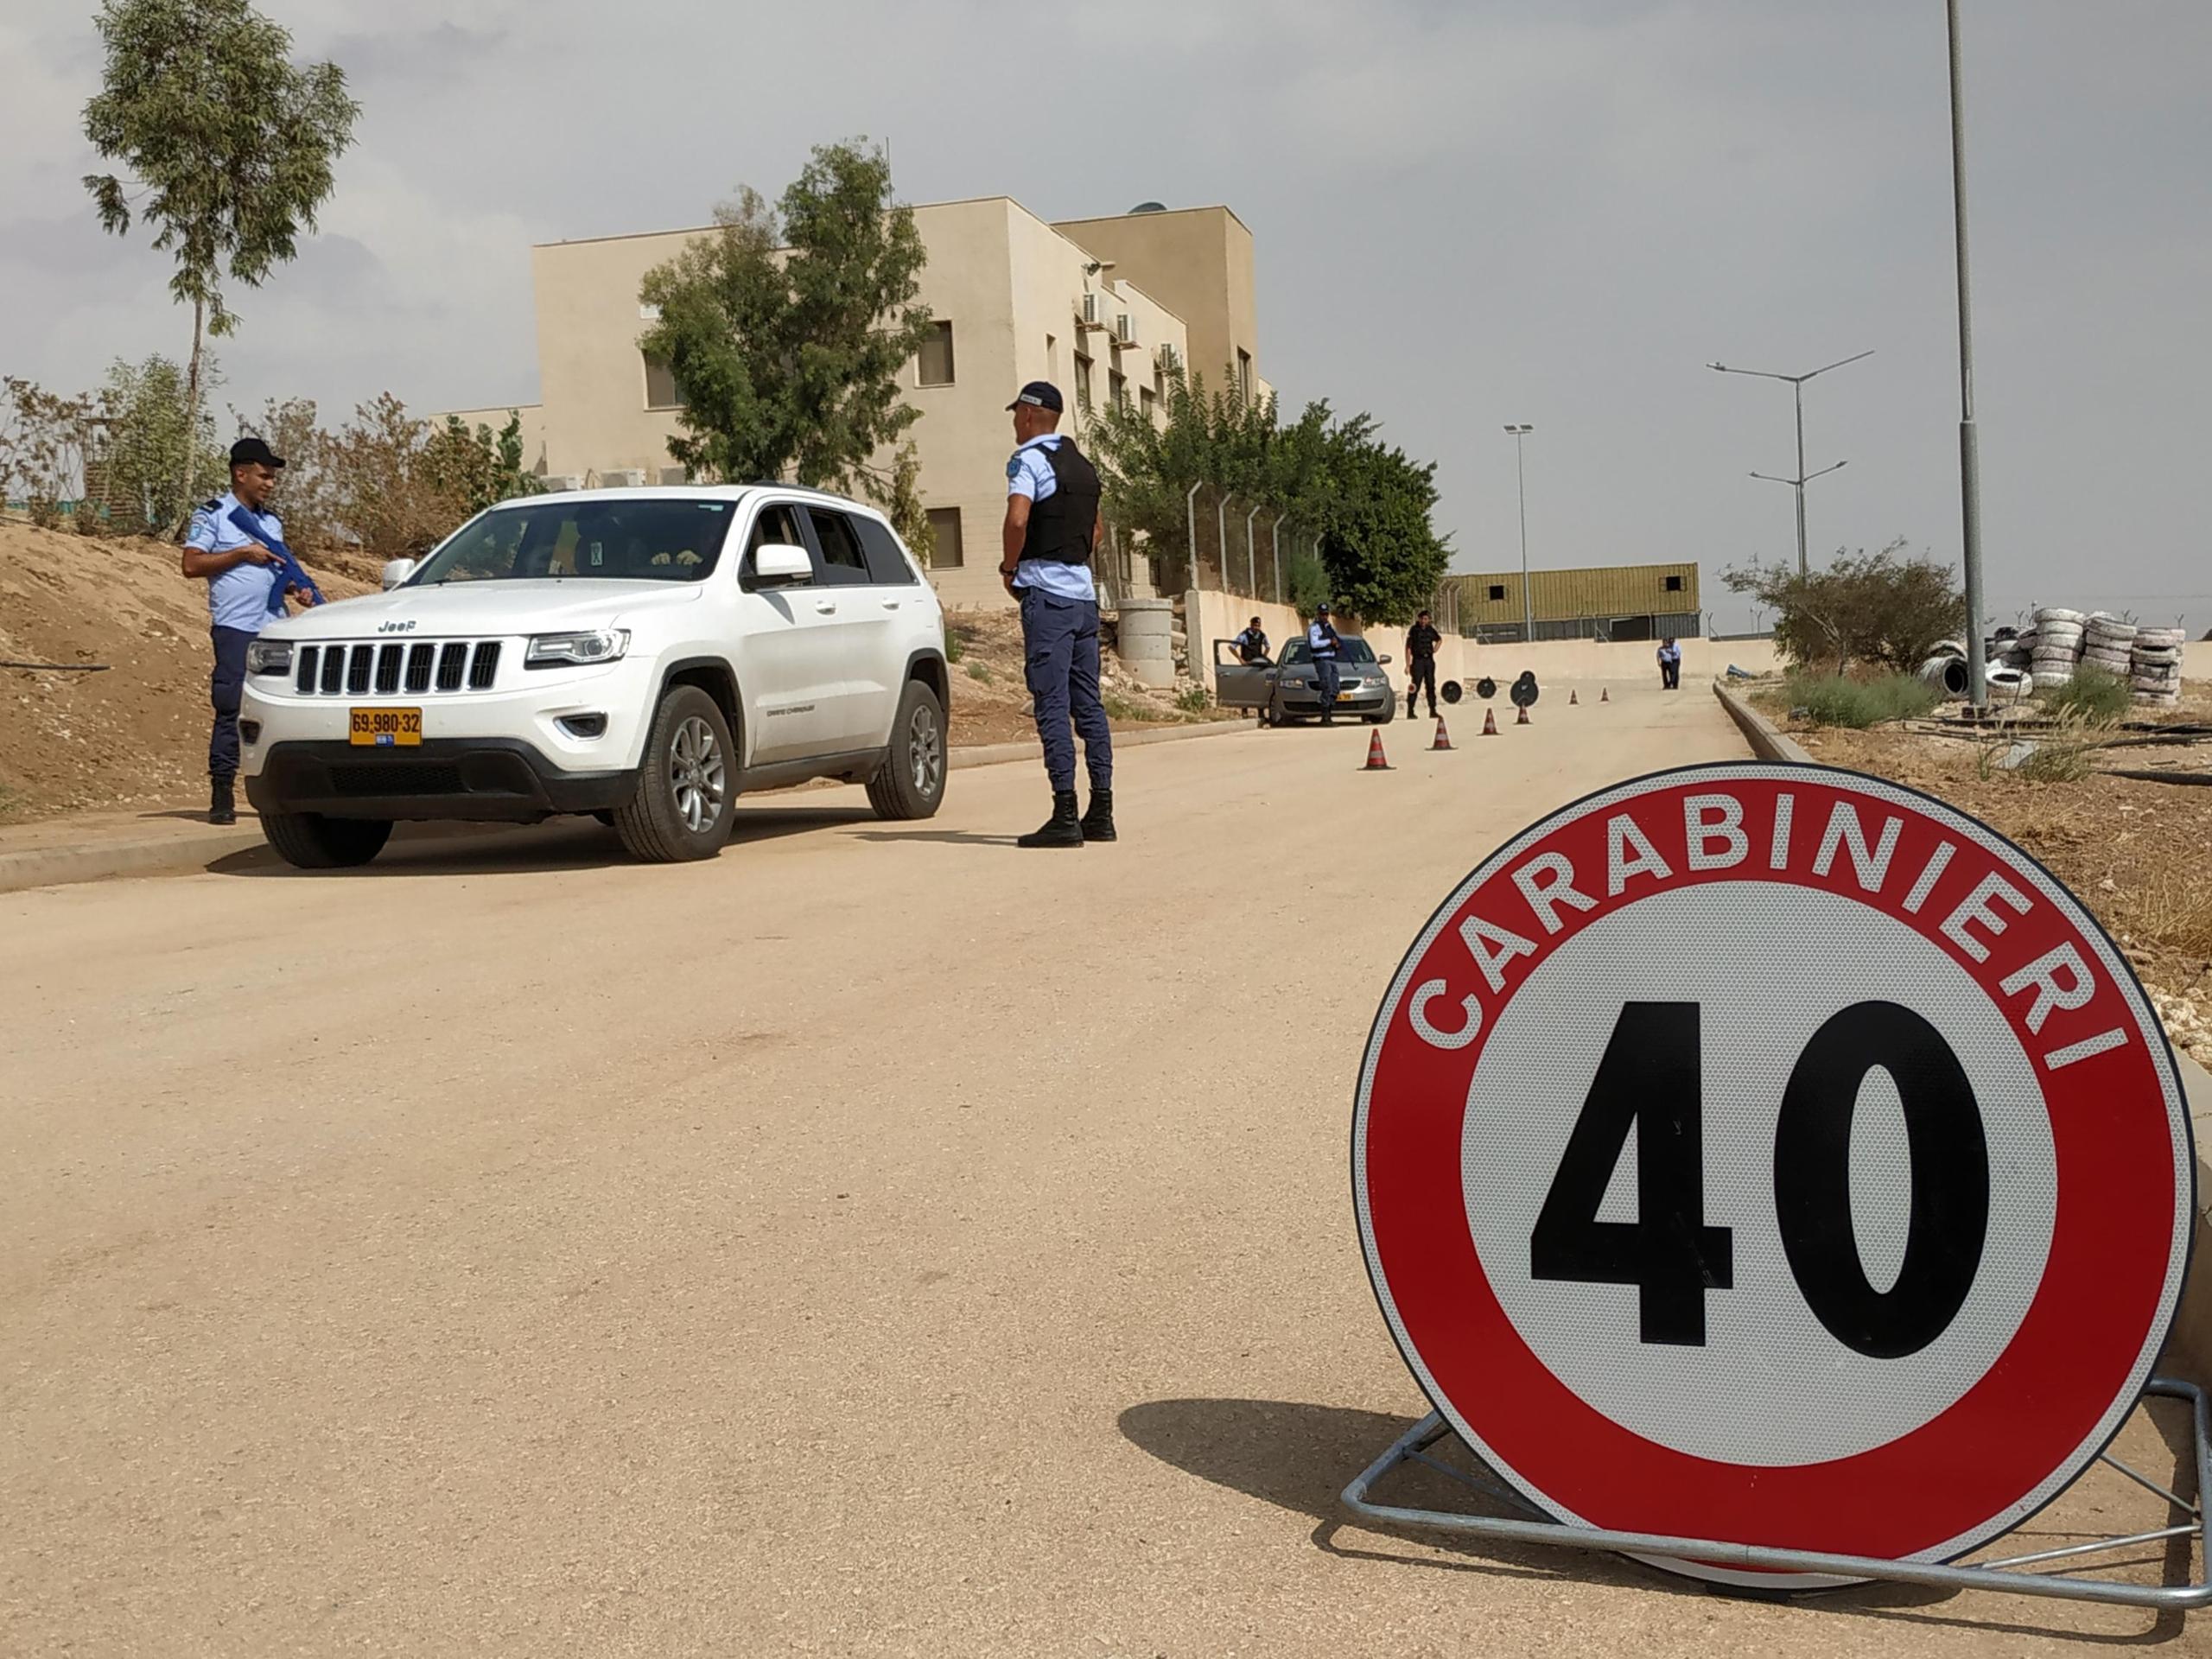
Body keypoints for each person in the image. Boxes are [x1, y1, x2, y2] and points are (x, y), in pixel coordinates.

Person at [998, 381, 1113, 848]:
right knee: (1089, 704)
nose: (1013, 422)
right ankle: (1101, 812)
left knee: (1051, 703)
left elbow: (1018, 519)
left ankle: (1064, 814)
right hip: (1085, 598)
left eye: (1015, 414)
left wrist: (1011, 568)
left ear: (1028, 416)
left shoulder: (1028, 461)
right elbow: (1098, 531)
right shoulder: (1083, 467)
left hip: (1047, 596)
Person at [181, 436, 317, 824]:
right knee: (230, 706)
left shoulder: (270, 522)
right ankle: (222, 790)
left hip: (273, 626)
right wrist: (242, 553)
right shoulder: (215, 515)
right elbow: (191, 565)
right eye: (263, 475)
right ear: (240, 474)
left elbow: (276, 569)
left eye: (272, 477)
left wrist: (297, 589)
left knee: (285, 705)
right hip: (235, 627)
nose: (269, 483)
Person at [1307, 603, 1345, 723]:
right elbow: (1314, 644)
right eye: (1322, 614)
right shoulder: (1314, 628)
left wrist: (1337, 644)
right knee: (1327, 687)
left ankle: (1329, 713)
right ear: (1318, 614)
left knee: (1335, 688)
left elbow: (1336, 641)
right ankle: (1325, 717)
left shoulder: (1329, 627)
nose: (1324, 616)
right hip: (1322, 660)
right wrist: (1329, 641)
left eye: (1326, 614)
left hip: (1332, 660)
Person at [1405, 608, 1443, 719]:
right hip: (1418, 661)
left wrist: (1435, 649)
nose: (1423, 621)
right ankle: (1410, 711)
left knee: (1431, 685)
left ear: (1428, 620)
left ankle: (1433, 710)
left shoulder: (1431, 630)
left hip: (1429, 661)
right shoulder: (1414, 630)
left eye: (1425, 619)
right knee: (1415, 686)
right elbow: (1408, 648)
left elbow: (1439, 640)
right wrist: (1408, 665)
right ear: (1419, 619)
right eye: (1422, 618)